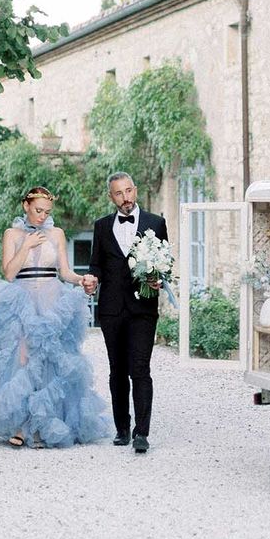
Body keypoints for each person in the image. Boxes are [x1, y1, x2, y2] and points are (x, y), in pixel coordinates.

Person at [0, 186, 112, 448]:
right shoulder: (12, 234)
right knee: (22, 358)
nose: (42, 216)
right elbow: (8, 273)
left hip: (52, 299)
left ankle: (44, 424)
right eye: (38, 210)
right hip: (21, 301)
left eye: (47, 212)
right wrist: (26, 245)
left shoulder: (57, 234)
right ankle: (19, 424)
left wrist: (82, 279)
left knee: (52, 360)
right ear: (26, 206)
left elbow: (65, 272)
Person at [89, 172, 169, 454]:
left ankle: (141, 433)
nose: (126, 198)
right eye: (119, 194)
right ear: (111, 197)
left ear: (135, 190)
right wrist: (91, 281)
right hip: (111, 310)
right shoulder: (101, 227)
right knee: (117, 371)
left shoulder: (155, 223)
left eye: (129, 191)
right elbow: (95, 266)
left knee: (140, 369)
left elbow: (165, 263)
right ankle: (122, 429)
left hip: (143, 309)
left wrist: (160, 278)